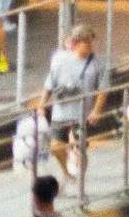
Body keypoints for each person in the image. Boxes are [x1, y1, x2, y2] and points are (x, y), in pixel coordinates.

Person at [40, 27, 110, 175]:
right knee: (55, 145)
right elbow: (50, 83)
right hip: (61, 111)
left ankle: (78, 166)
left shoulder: (98, 64)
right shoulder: (60, 60)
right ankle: (66, 172)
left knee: (78, 146)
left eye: (91, 43)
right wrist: (42, 104)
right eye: (87, 43)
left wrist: (96, 110)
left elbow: (103, 89)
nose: (91, 46)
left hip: (81, 113)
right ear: (76, 43)